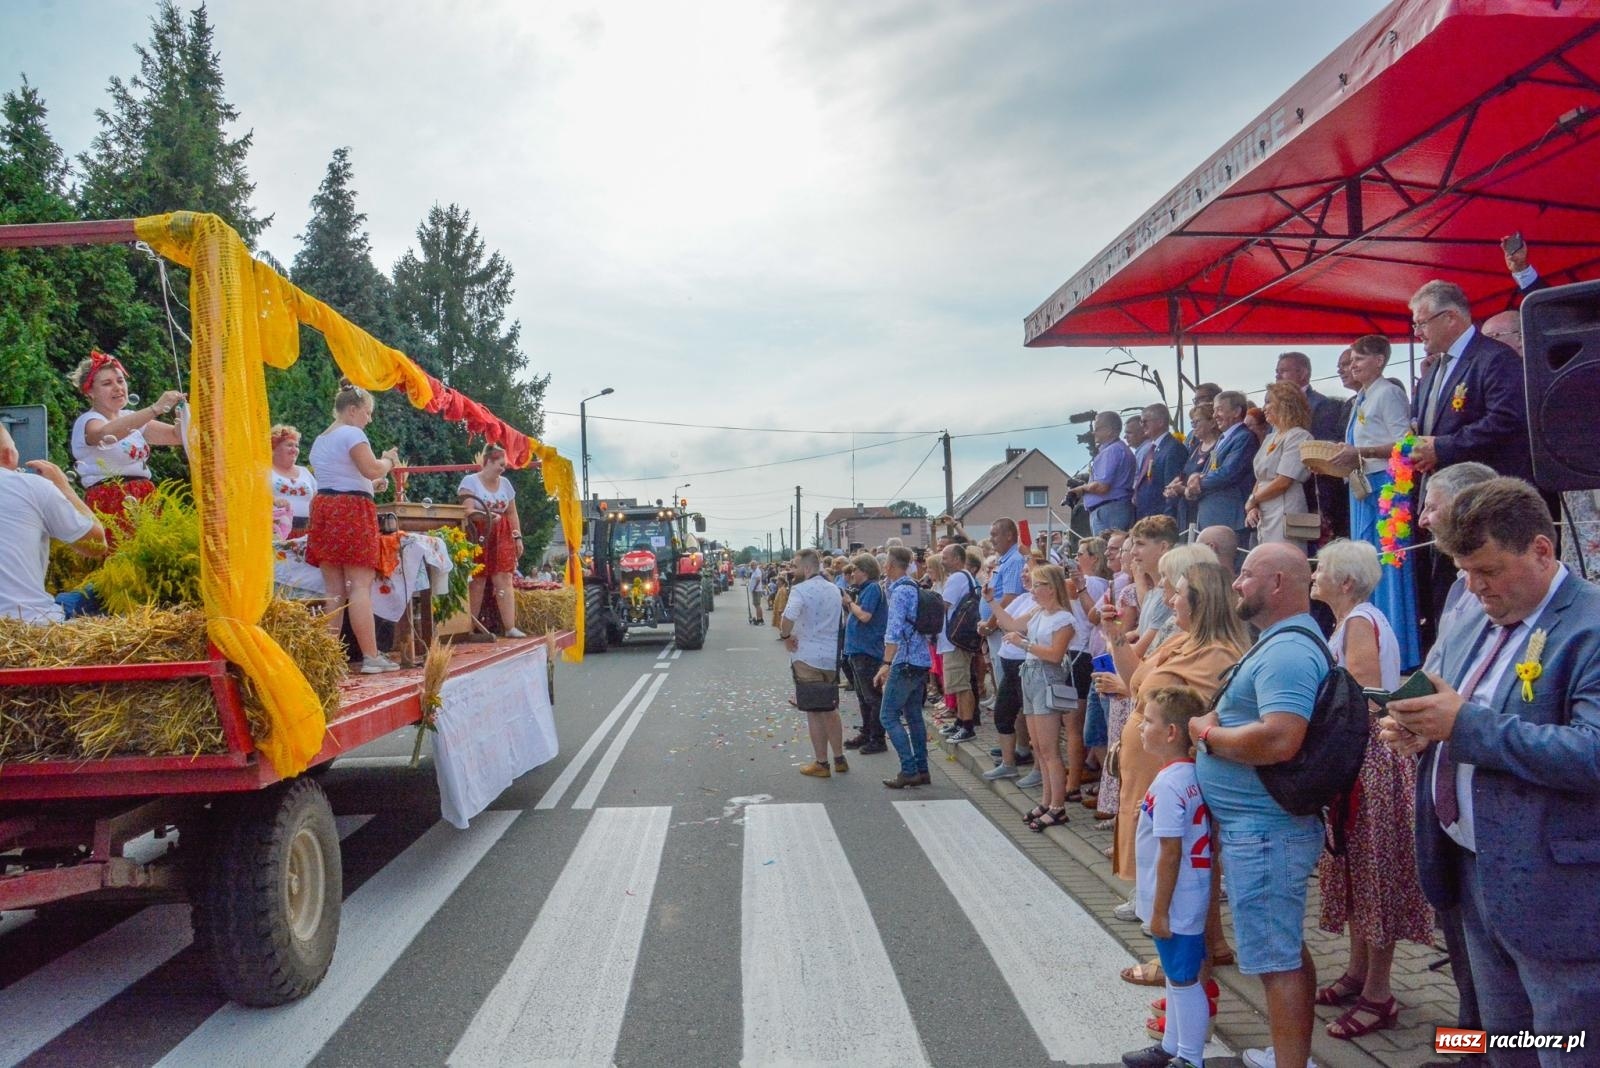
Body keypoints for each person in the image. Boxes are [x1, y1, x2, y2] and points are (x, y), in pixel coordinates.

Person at [1379, 479, 1600, 1067]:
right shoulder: (1476, 613)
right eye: (1464, 571)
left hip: (1558, 893)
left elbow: (1594, 754)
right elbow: (1451, 705)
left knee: (1566, 1048)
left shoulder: (1591, 626)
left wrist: (1463, 727)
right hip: (1473, 872)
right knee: (1506, 1046)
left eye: (1488, 571)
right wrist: (1419, 730)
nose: (1474, 587)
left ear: (1541, 550)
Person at [1188, 542, 1328, 1068]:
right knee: (1283, 948)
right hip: (1261, 826)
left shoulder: (1288, 652)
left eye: (1247, 575)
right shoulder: (1277, 642)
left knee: (1275, 960)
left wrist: (1208, 735)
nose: (1237, 585)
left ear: (1278, 584)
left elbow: (1280, 739)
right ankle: (1290, 1053)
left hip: (1265, 829)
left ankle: (1291, 1062)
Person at [1309, 539, 1433, 1041]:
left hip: (1371, 760)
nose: (1314, 575)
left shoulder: (1360, 620)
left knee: (1375, 872)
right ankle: (1359, 973)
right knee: (1358, 869)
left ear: (1344, 581)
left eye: (1322, 570)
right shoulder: (1354, 619)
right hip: (1363, 757)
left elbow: (1357, 692)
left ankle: (1379, 993)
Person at [1121, 685, 1215, 1068]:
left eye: (1149, 721)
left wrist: (1158, 912)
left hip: (1176, 898)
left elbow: (1170, 851)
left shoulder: (1169, 784)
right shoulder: (1191, 774)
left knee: (1184, 979)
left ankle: (1190, 1058)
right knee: (1177, 977)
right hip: (1188, 892)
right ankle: (1171, 1046)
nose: (1141, 728)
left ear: (1172, 733)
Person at [1330, 334, 1422, 669]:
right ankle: (1370, 642)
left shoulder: (1388, 393)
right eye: (1351, 360)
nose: (1352, 366)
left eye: (1359, 359)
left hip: (1387, 485)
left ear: (1379, 360)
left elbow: (1405, 443)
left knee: (1387, 564)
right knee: (1365, 563)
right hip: (1364, 484)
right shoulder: (1362, 398)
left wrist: (1363, 451)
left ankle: (1398, 647)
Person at [307, 383, 402, 674]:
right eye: (367, 413)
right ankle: (371, 656)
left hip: (325, 507)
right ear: (352, 410)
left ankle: (327, 658)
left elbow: (342, 478)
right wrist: (388, 460)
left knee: (334, 589)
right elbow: (371, 468)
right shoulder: (352, 433)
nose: (369, 419)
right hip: (352, 511)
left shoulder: (321, 439)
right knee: (360, 586)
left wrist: (370, 487)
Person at [69, 350, 185, 541]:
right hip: (110, 500)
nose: (117, 388)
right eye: (107, 383)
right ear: (90, 392)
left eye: (120, 381)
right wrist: (155, 409)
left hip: (144, 496)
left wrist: (183, 415)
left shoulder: (129, 417)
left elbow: (175, 436)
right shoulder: (89, 420)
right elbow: (104, 434)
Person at [997, 563, 1077, 830]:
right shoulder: (1038, 612)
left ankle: (1058, 806)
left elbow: (1055, 655)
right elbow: (1009, 622)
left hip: (1045, 677)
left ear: (1051, 589)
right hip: (1029, 675)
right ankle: (1046, 800)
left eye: (1037, 585)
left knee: (1050, 748)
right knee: (1038, 746)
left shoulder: (1063, 618)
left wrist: (1024, 644)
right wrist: (990, 600)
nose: (1031, 590)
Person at [0, 425, 107, 622]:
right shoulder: (32, 486)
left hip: (13, 635)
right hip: (31, 621)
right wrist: (63, 486)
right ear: (9, 454)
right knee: (102, 588)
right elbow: (96, 545)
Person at [781, 549, 847, 778]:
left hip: (806, 656)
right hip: (830, 656)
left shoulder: (800, 590)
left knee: (813, 711)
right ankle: (839, 757)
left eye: (795, 566)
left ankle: (821, 762)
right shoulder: (835, 590)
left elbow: (788, 616)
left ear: (807, 568)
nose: (792, 570)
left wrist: (786, 636)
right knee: (830, 708)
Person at [876, 546, 934, 789]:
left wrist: (886, 664)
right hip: (920, 658)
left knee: (888, 715)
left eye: (886, 563)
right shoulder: (913, 586)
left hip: (905, 660)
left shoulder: (900, 592)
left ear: (890, 565)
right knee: (913, 716)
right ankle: (922, 768)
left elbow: (894, 630)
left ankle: (909, 769)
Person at [458, 444, 526, 638]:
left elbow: (512, 512)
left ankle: (510, 626)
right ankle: (470, 627)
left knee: (504, 577)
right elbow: (466, 510)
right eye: (500, 464)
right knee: (477, 579)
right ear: (488, 462)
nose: (503, 469)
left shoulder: (505, 484)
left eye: (504, 465)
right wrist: (486, 515)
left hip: (502, 531)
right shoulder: (470, 482)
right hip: (478, 531)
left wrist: (517, 537)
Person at [984, 561, 1043, 781]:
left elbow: (1012, 625)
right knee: (1003, 714)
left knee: (1034, 720)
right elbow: (1004, 621)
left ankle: (1039, 769)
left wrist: (1006, 623)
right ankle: (1008, 763)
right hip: (1009, 664)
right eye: (1024, 572)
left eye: (1029, 571)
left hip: (1025, 665)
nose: (1024, 576)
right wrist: (991, 601)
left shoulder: (1040, 604)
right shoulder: (1022, 598)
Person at [1245, 383, 1315, 553]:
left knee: (1282, 556)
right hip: (1264, 508)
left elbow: (1284, 480)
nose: (1264, 408)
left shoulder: (1299, 435)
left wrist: (1254, 500)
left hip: (1285, 508)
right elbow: (1261, 477)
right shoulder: (1270, 438)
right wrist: (1253, 505)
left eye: (1269, 402)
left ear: (1285, 404)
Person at [1188, 391, 1259, 542]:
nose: (1214, 415)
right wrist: (1196, 476)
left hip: (1229, 518)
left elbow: (1228, 473)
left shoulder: (1244, 437)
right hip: (1213, 517)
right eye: (1214, 410)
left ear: (1236, 412)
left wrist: (1198, 483)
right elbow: (1213, 468)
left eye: (1219, 409)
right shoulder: (1222, 438)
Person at [842, 553, 888, 754]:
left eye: (855, 570)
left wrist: (849, 603)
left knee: (872, 697)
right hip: (858, 649)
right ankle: (867, 732)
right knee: (863, 696)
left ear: (865, 571)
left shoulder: (872, 589)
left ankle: (877, 738)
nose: (852, 575)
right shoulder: (864, 589)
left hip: (868, 650)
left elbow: (865, 616)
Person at [935, 542, 980, 742]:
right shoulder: (966, 577)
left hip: (954, 639)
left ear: (956, 558)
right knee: (960, 682)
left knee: (961, 685)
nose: (942, 561)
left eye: (945, 557)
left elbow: (943, 606)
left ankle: (967, 725)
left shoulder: (956, 578)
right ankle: (961, 721)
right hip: (958, 638)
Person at [1075, 411, 1137, 535]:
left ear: (1109, 430)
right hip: (1112, 509)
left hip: (1108, 511)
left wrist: (1080, 489)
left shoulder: (1112, 451)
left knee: (1105, 551)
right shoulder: (1118, 449)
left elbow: (1102, 486)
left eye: (1097, 429)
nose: (1093, 433)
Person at [1168, 403, 1219, 536]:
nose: (1193, 426)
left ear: (1212, 422)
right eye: (1192, 422)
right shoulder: (1195, 446)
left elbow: (1210, 474)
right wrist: (1173, 485)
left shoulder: (1218, 447)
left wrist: (1185, 490)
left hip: (1202, 507)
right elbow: (1185, 472)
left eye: (1197, 421)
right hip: (1186, 508)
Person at [1135, 403, 1189, 522]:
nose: (1142, 426)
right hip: (1145, 515)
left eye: (1145, 421)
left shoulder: (1173, 448)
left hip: (1160, 517)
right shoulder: (1151, 449)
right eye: (1141, 422)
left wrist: (1167, 520)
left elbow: (1172, 488)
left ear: (1160, 422)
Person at [269, 424, 317, 535]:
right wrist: (273, 500)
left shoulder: (305, 472)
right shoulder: (264, 471)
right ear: (274, 447)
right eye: (290, 445)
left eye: (297, 446)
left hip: (305, 531)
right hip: (274, 530)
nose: (294, 449)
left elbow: (316, 498)